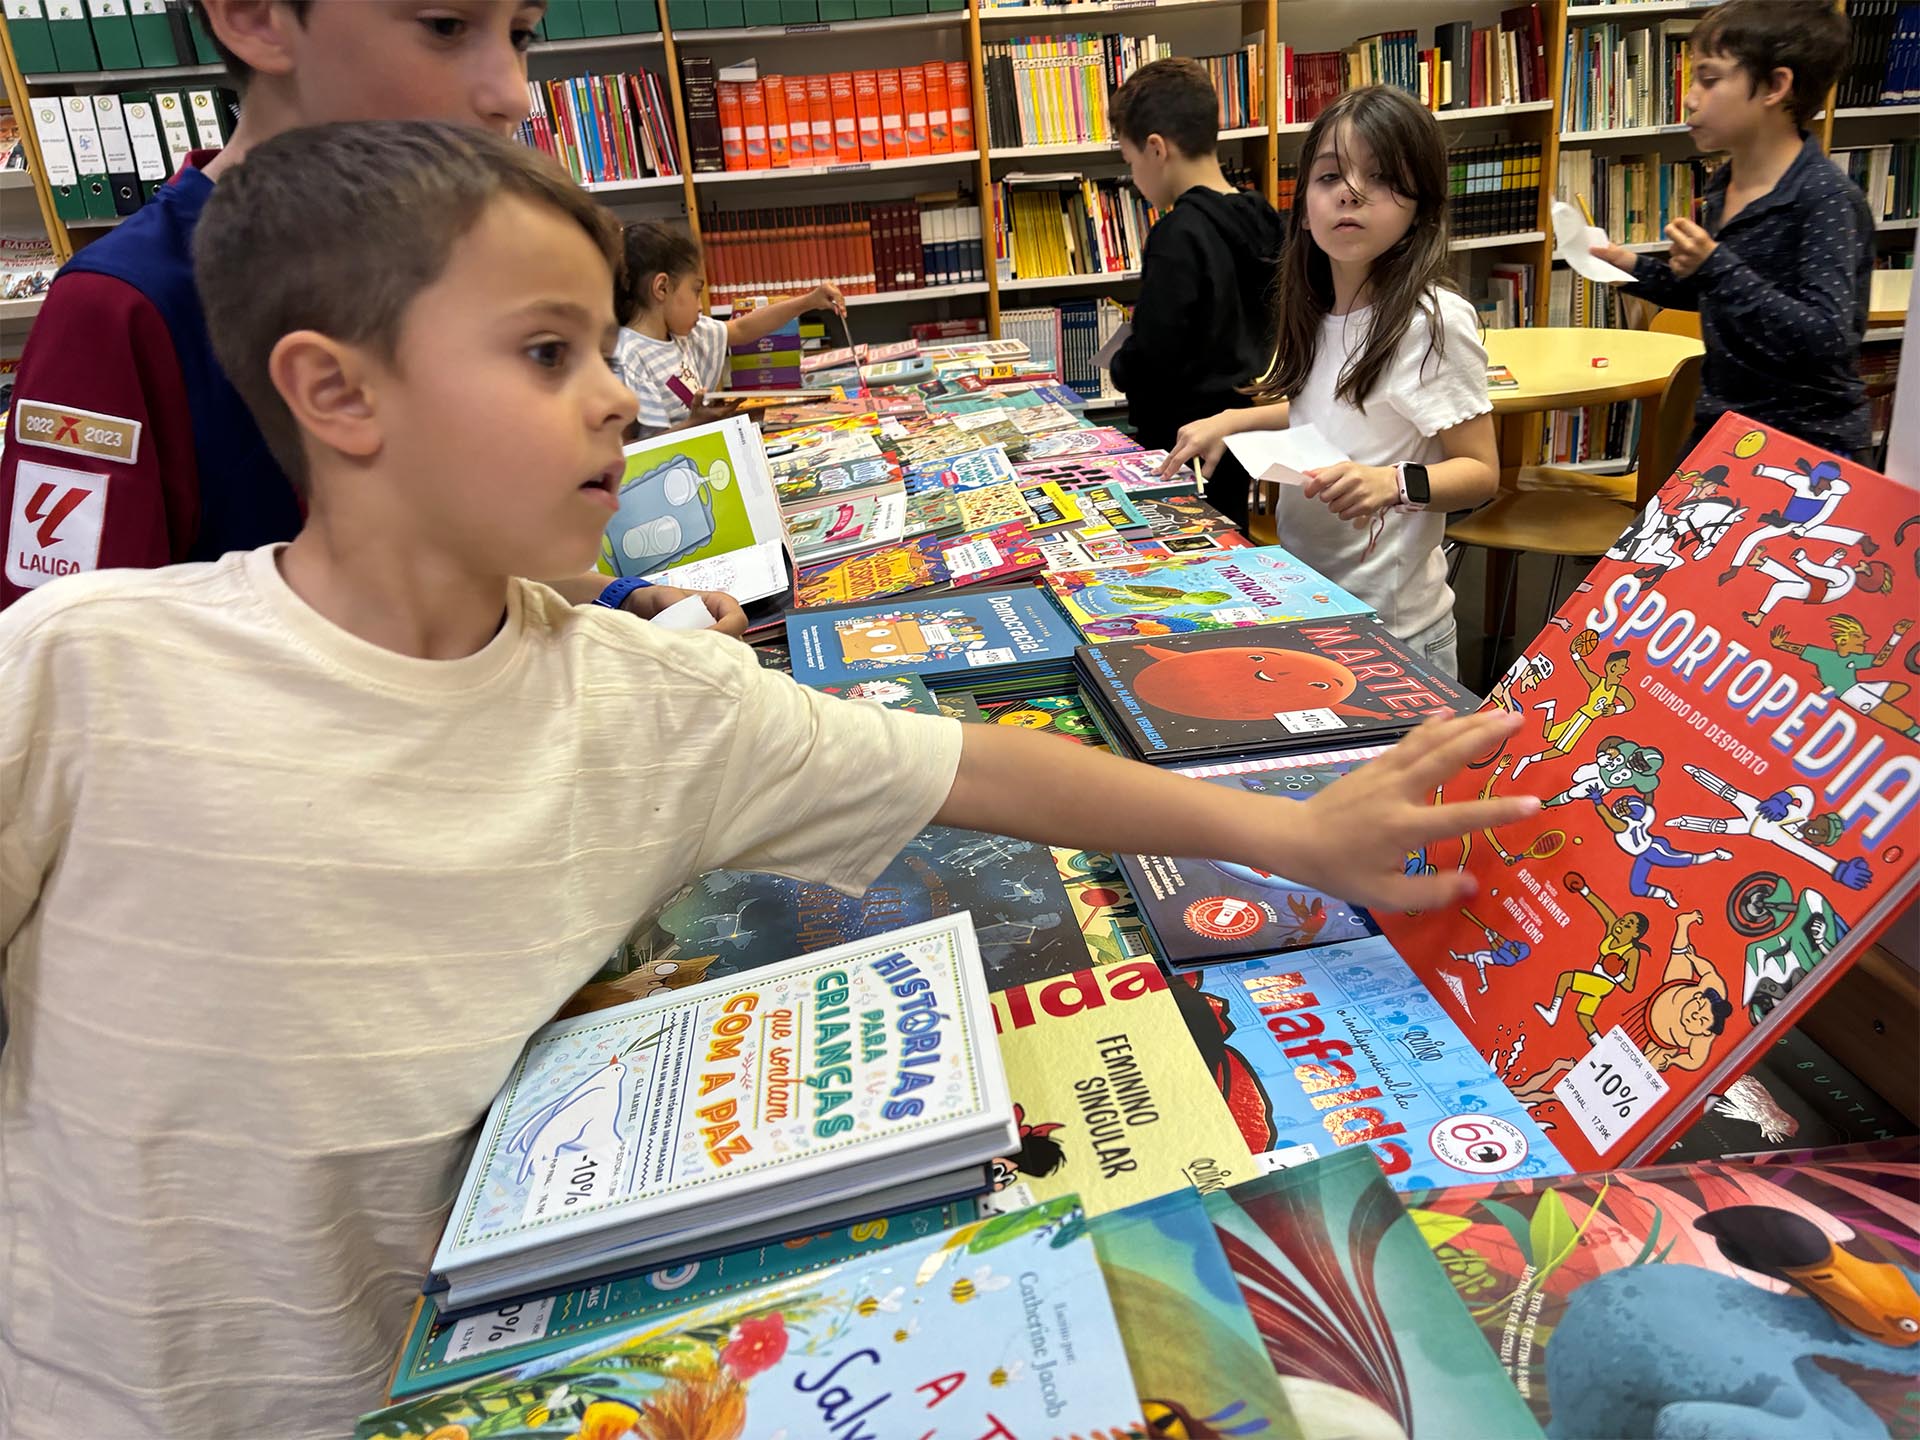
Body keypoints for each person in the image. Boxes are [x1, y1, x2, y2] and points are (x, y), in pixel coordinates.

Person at [0, 121, 1538, 1439]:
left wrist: (1293, 835)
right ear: (339, 396)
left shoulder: (648, 696)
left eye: (607, 346)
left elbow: (975, 764)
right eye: (547, 353)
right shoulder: (87, 669)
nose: (615, 397)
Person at [0, 0, 743, 633]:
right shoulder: (120, 308)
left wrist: (619, 598)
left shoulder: (469, 264)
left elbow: (445, 549)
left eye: (520, 34)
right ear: (254, 15)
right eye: (447, 25)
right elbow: (66, 665)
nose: (514, 93)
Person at [1160, 86, 1499, 677]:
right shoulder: (1317, 309)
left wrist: (1389, 483)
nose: (1350, 192)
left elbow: (1481, 472)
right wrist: (1231, 420)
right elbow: (1321, 409)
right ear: (1305, 203)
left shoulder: (1432, 321)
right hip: (1315, 606)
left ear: (1421, 201)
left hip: (1396, 633)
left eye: (1382, 176)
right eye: (1329, 177)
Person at [1590, 0, 1872, 458]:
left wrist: (1717, 265)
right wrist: (1628, 265)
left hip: (1806, 445)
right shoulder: (1725, 185)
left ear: (1776, 87)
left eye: (1710, 78)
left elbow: (1826, 337)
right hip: (1727, 429)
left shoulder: (1825, 198)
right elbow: (1715, 294)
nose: (1690, 97)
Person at [1106, 58, 1285, 527]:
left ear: (1156, 149)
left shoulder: (1177, 235)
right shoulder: (1263, 215)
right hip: (1243, 430)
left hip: (1181, 438)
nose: (1134, 178)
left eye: (1130, 161)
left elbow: (1154, 355)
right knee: (1229, 540)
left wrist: (1121, 361)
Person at [613, 221, 845, 438]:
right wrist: (693, 425)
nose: (700, 305)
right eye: (695, 291)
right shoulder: (628, 359)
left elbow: (742, 328)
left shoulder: (683, 335)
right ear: (662, 288)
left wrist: (809, 301)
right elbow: (627, 452)